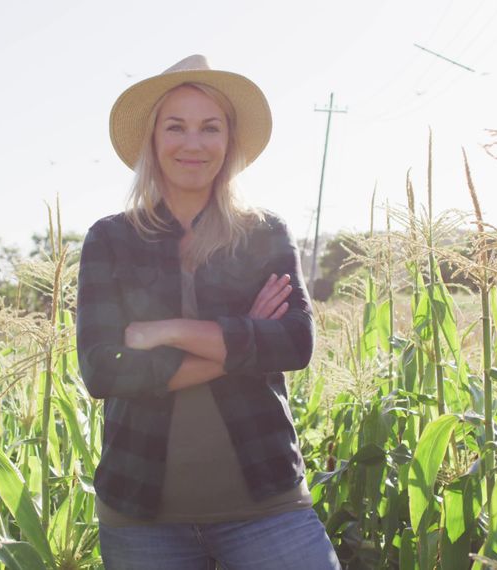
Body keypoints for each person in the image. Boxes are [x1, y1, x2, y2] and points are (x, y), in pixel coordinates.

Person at [76, 54, 341, 570]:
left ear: (229, 141)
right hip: (141, 515)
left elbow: (294, 344)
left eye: (209, 127)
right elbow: (103, 369)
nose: (192, 143)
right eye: (176, 127)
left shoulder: (263, 233)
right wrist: (244, 341)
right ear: (153, 140)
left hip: (267, 506)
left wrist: (166, 331)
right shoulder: (109, 239)